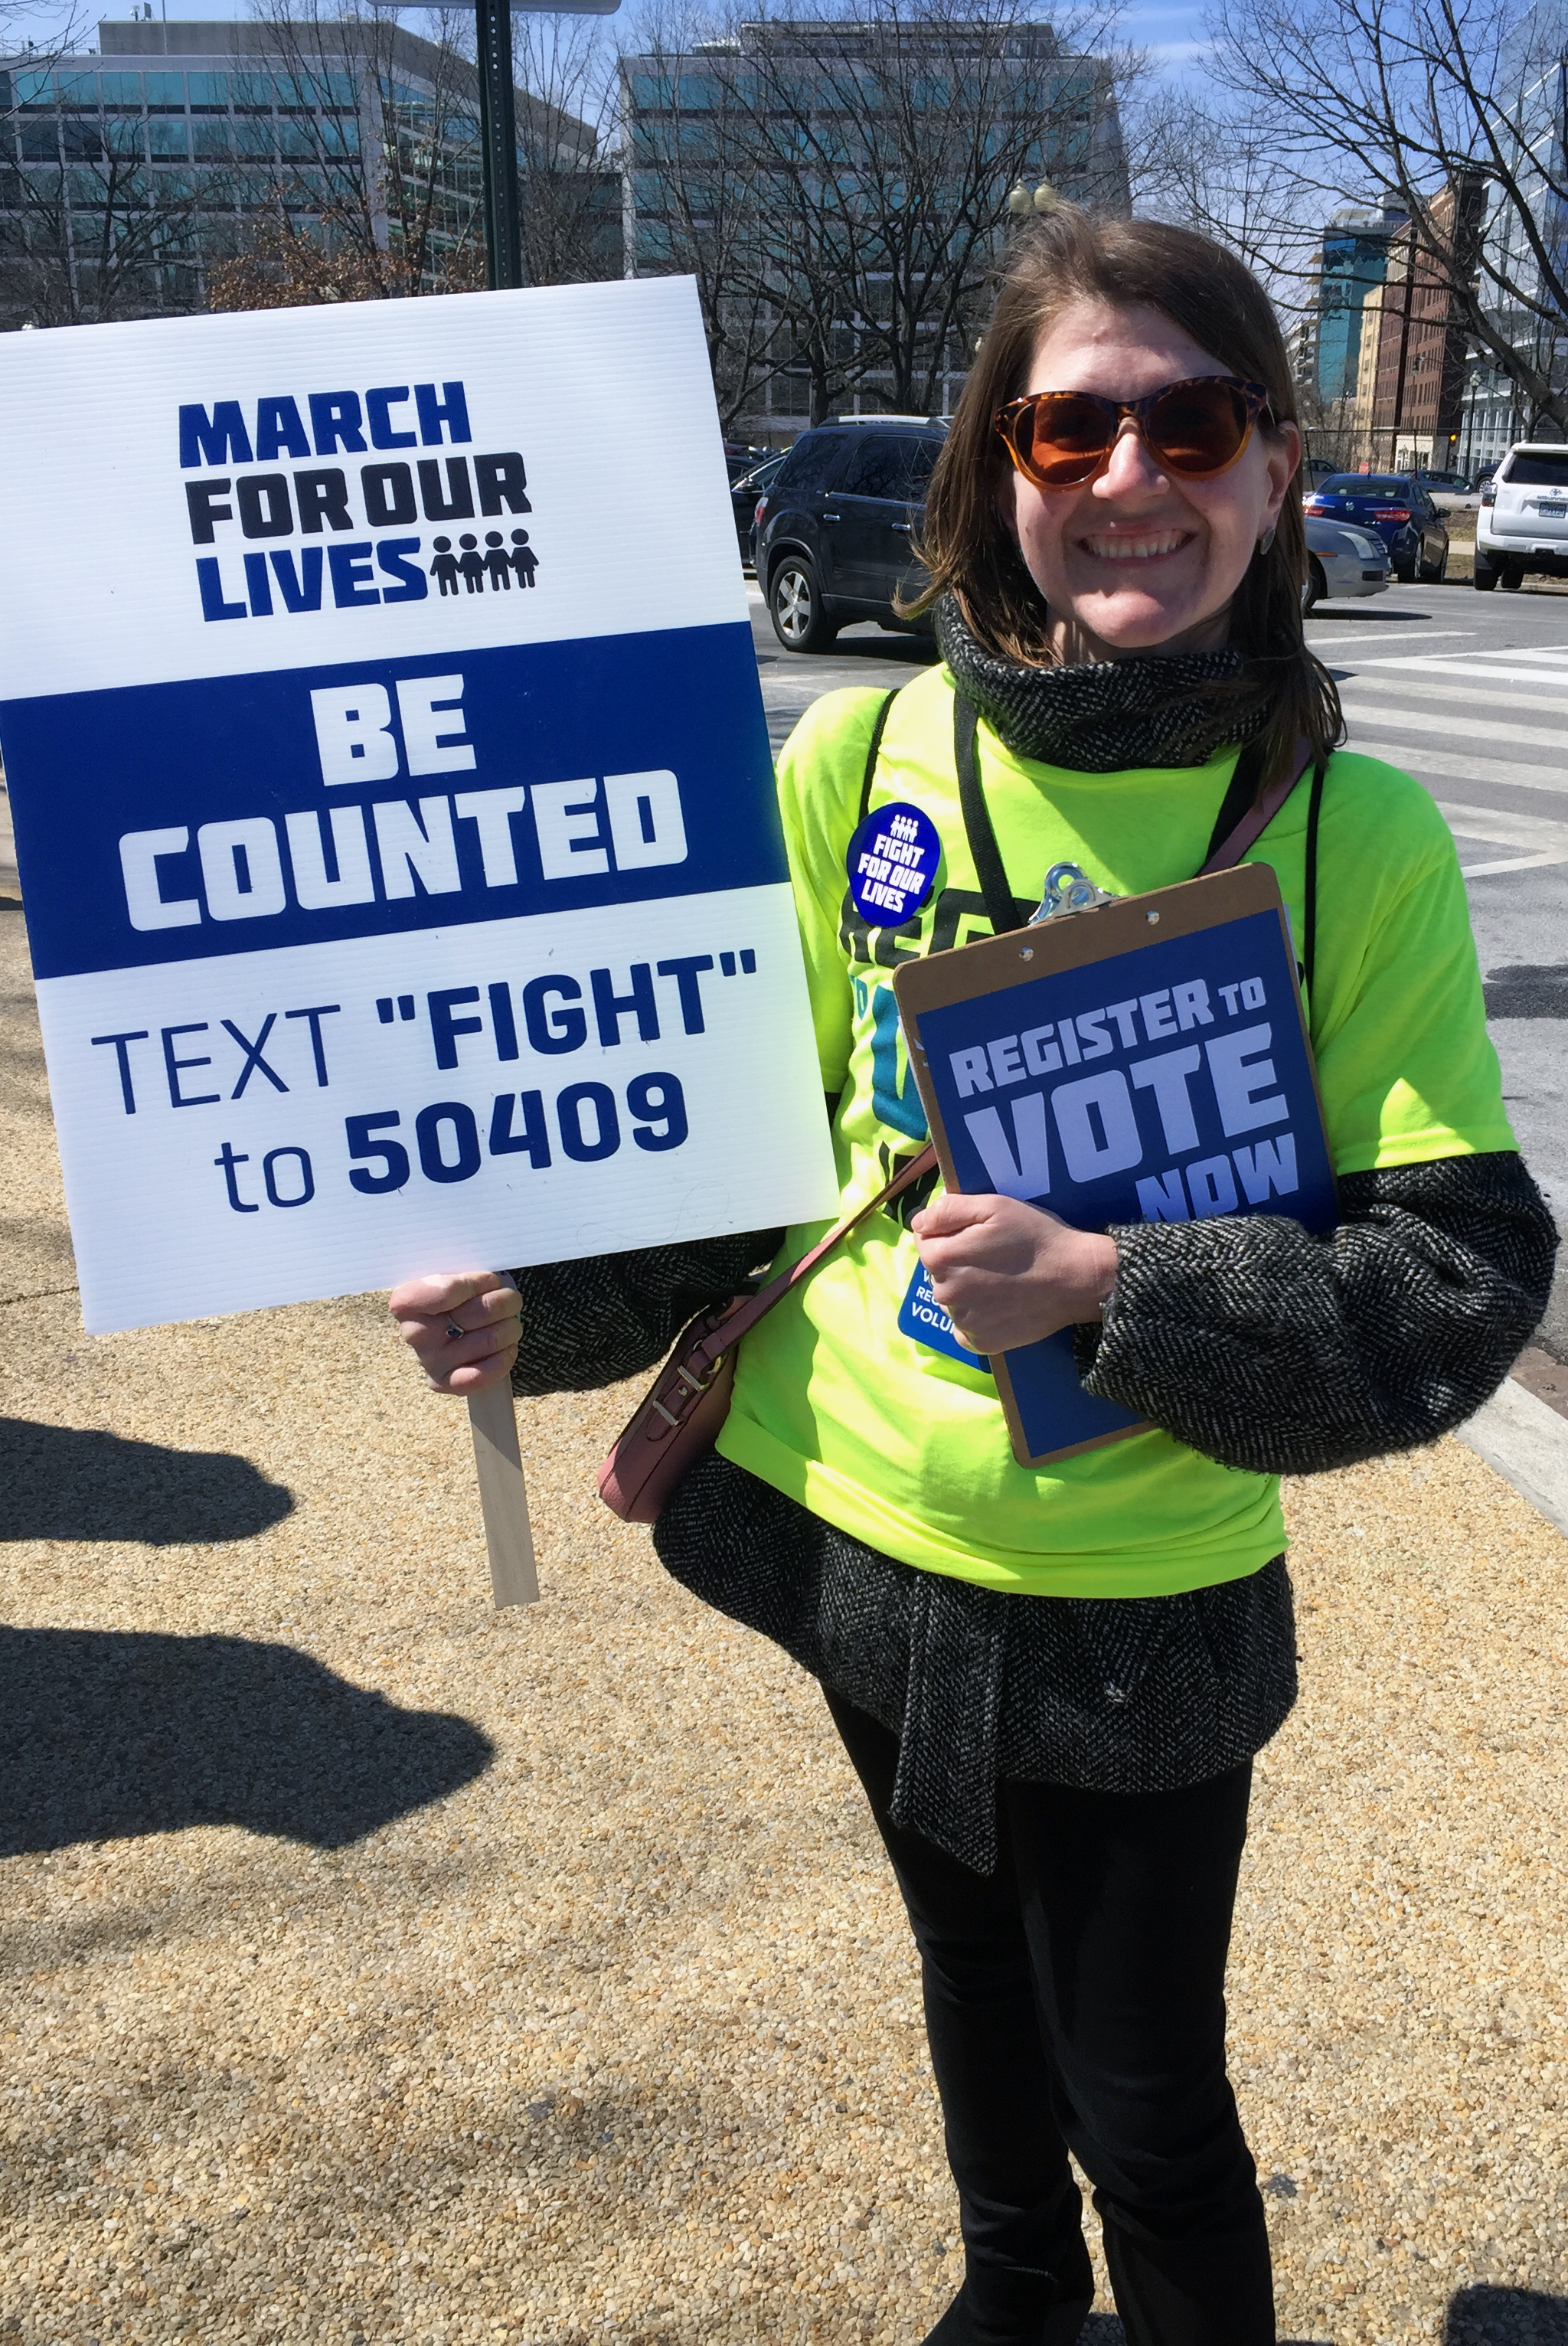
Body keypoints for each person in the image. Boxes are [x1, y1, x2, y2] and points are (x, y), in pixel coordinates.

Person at [388, 214, 1554, 2346]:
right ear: (995, 473)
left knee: (1150, 2102)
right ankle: (1011, 2293)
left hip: (1143, 1604)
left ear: (1276, 468)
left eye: (1189, 422)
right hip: (861, 1542)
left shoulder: (1346, 835)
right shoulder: (858, 764)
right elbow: (740, 1170)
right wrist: (528, 1314)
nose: (1131, 478)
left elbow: (1460, 1278)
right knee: (964, 1999)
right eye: (1069, 425)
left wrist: (1116, 1284)